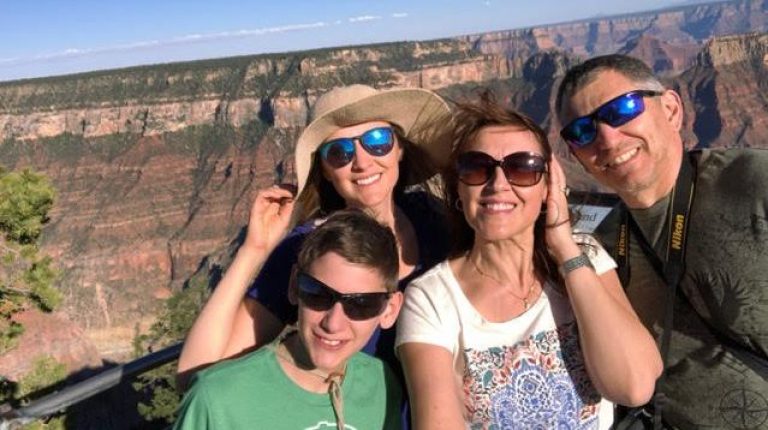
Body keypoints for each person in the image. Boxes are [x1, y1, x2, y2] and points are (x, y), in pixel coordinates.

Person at [395, 93, 661, 429]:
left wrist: (564, 247)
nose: (498, 185)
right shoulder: (431, 299)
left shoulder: (584, 256)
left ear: (549, 187)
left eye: (523, 168)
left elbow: (634, 386)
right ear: (458, 190)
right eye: (477, 168)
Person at [177, 85, 451, 388]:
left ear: (399, 149)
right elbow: (196, 374)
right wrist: (254, 249)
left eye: (377, 141)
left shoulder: (431, 218)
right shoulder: (308, 247)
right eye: (339, 152)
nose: (361, 162)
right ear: (326, 169)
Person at [556, 54, 768, 429]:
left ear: (671, 109)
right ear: (576, 156)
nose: (607, 137)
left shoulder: (753, 183)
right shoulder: (598, 247)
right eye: (583, 132)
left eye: (622, 109)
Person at [173, 208, 404, 430]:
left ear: (390, 310)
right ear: (294, 286)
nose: (333, 323)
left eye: (361, 304)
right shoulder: (218, 400)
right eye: (317, 294)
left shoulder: (382, 386)